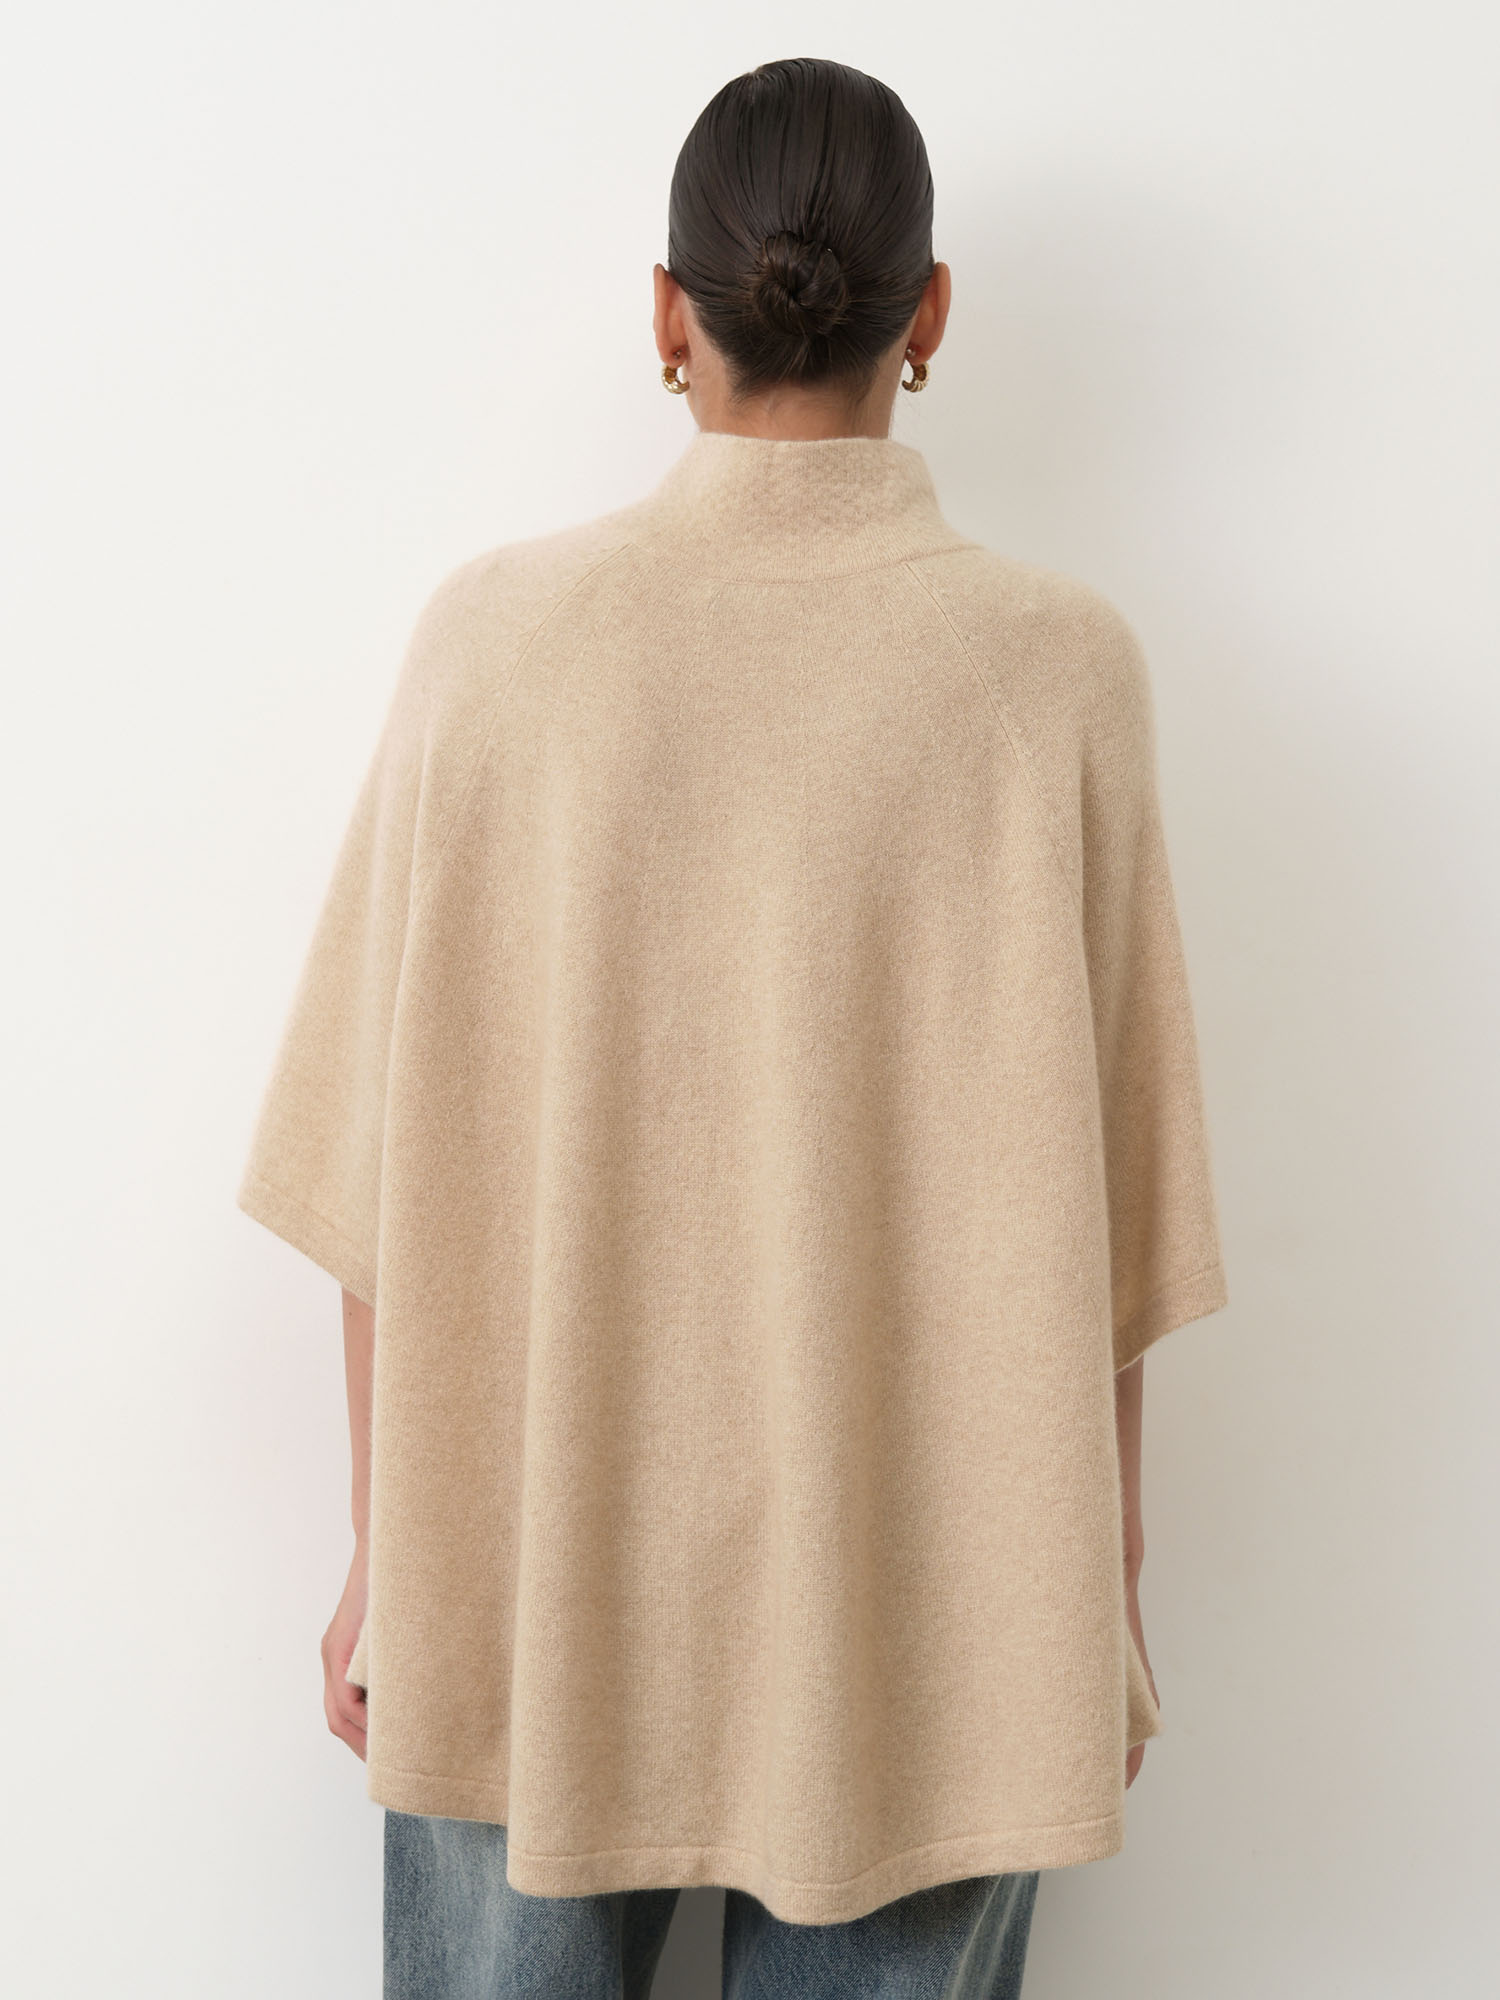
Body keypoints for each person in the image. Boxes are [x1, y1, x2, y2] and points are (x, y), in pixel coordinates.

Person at [236, 55, 1229, 2000]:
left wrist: (388, 1551)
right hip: (939, 1608)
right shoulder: (1059, 673)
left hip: (526, 1569)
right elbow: (1111, 1222)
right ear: (928, 315)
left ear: (665, 311)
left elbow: (384, 1157)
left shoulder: (497, 641)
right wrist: (1099, 1594)